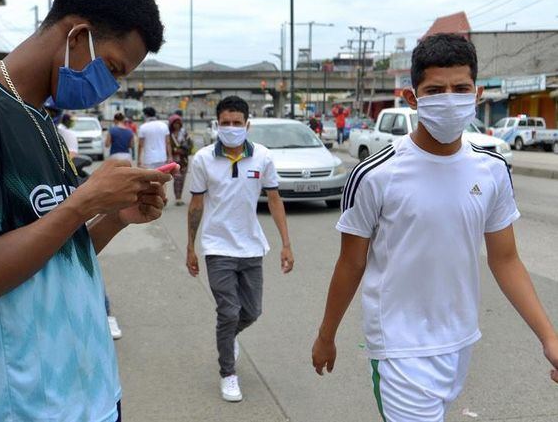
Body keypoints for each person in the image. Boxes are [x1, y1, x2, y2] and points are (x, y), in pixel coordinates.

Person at [0, 0, 169, 422]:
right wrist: (84, 200)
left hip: (97, 392)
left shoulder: (43, 121)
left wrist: (114, 216)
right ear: (77, 35)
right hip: (34, 406)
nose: (110, 89)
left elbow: (59, 258)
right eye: (113, 69)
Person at [312, 33, 558, 422]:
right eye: (435, 89)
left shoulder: (492, 170)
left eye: (460, 88)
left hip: (460, 340)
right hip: (398, 347)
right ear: (413, 98)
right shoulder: (375, 175)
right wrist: (327, 335)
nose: (449, 98)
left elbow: (506, 260)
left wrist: (549, 337)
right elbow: (351, 264)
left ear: (476, 94)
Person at [186, 95, 295, 402]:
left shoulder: (262, 157)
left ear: (247, 124)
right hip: (217, 245)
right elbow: (195, 205)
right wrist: (190, 247)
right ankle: (228, 374)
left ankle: (229, 335)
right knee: (228, 310)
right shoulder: (203, 159)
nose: (231, 128)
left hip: (251, 246)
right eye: (225, 123)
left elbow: (274, 200)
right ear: (216, 124)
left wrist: (286, 244)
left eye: (237, 123)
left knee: (252, 311)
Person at [168, 113, 193, 206]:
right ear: (172, 124)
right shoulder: (169, 135)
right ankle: (177, 197)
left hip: (184, 160)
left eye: (178, 123)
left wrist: (184, 150)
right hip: (174, 160)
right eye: (175, 123)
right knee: (177, 178)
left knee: (182, 179)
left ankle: (180, 196)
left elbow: (190, 145)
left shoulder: (185, 134)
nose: (177, 125)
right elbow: (168, 146)